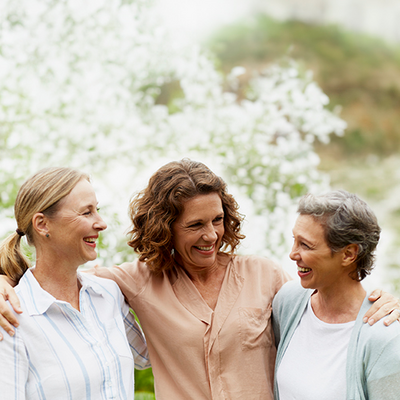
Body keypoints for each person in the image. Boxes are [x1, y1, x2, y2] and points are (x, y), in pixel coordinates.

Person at [0, 160, 399, 400]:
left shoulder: (268, 278)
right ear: (165, 227)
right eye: (194, 225)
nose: (211, 235)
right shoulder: (131, 283)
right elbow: (53, 275)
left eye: (218, 220)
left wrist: (385, 299)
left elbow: (331, 302)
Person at [0, 167, 149, 399]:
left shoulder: (109, 294)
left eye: (97, 210)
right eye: (86, 212)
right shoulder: (11, 318)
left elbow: (147, 355)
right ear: (42, 224)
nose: (101, 223)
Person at [272, 190, 400, 400]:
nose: (293, 254)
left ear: (349, 254)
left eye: (305, 245)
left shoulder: (383, 336)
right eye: (294, 240)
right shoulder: (288, 301)